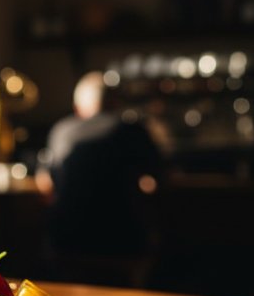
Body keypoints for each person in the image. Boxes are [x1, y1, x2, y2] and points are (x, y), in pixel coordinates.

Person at [37, 71, 163, 258]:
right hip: (123, 238)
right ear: (115, 103)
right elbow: (158, 179)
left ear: (77, 107)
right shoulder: (133, 131)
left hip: (67, 239)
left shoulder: (61, 131)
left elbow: (45, 184)